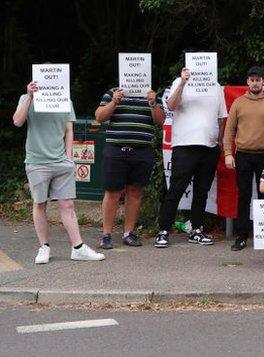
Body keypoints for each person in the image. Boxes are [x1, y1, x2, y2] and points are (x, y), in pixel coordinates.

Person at [12, 79, 105, 263]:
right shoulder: (25, 98)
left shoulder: (65, 100)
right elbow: (17, 121)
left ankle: (78, 247)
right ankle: (44, 247)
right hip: (37, 161)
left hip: (61, 162)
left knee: (68, 205)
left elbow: (69, 129)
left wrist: (69, 157)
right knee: (40, 204)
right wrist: (30, 96)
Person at [155, 65, 227, 248]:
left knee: (202, 192)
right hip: (185, 145)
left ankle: (196, 229)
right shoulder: (179, 82)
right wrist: (183, 83)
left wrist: (219, 140)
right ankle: (163, 230)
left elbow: (222, 117)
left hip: (209, 147)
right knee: (176, 189)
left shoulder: (216, 85)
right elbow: (171, 106)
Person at [94, 83, 165, 249]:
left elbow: (160, 121)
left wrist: (153, 103)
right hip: (116, 150)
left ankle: (129, 233)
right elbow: (99, 117)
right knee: (112, 192)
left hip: (142, 151)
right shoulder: (112, 92)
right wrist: (114, 102)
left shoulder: (151, 95)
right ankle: (106, 234)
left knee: (135, 191)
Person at [224, 66, 264, 251]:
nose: (255, 82)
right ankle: (242, 236)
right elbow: (229, 130)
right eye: (252, 80)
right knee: (243, 195)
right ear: (247, 82)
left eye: (258, 79)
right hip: (243, 154)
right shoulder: (239, 102)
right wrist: (228, 153)